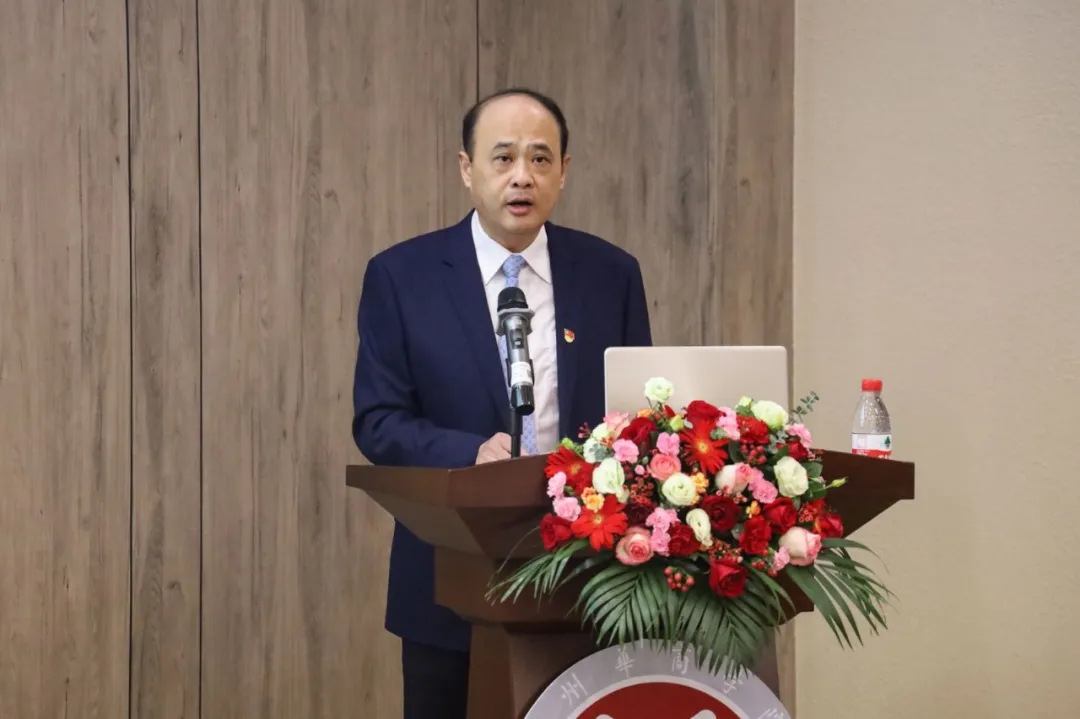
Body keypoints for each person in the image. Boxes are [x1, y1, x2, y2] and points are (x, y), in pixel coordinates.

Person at [351, 87, 652, 719]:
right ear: (467, 169)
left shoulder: (610, 274)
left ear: (564, 171)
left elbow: (638, 417)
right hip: (451, 576)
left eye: (541, 158)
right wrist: (469, 452)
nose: (522, 176)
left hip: (588, 581)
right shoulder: (403, 277)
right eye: (503, 157)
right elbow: (378, 422)